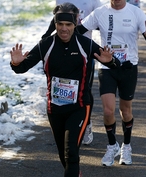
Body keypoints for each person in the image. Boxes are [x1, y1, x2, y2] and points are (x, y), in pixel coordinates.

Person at [10, 3, 120, 177]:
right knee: (64, 155)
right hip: (55, 108)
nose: (64, 29)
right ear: (55, 24)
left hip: (80, 107)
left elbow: (114, 64)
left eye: (68, 24)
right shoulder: (46, 45)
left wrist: (111, 61)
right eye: (60, 24)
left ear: (76, 23)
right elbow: (22, 67)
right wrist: (15, 63)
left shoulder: (86, 44)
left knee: (71, 151)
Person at [77, 0, 146, 166]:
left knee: (125, 111)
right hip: (107, 66)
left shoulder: (135, 12)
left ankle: (127, 146)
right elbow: (78, 31)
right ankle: (112, 146)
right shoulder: (100, 12)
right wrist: (97, 51)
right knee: (108, 110)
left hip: (128, 67)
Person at [42, 0, 104, 146]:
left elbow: (102, 19)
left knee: (85, 90)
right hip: (62, 48)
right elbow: (56, 20)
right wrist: (45, 35)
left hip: (84, 52)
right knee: (63, 86)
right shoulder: (61, 1)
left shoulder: (94, 1)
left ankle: (85, 123)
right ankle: (66, 125)